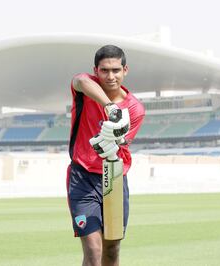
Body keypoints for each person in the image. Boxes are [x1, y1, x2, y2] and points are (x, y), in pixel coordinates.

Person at [66, 44, 145, 266]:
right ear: (96, 70)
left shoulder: (136, 109)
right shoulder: (86, 86)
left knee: (111, 250)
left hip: (115, 178)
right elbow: (80, 81)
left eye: (116, 70)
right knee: (93, 249)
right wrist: (110, 107)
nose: (110, 76)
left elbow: (122, 144)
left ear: (125, 70)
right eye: (104, 70)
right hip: (82, 178)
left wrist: (115, 137)